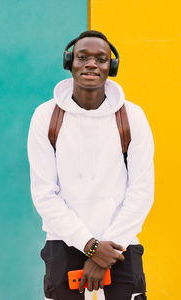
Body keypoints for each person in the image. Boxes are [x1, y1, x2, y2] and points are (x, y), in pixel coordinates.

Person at [27, 30, 154, 300]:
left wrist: (102, 254)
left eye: (101, 59)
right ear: (69, 63)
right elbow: (44, 194)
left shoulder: (133, 116)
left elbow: (142, 192)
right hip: (63, 242)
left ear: (112, 67)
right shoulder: (45, 116)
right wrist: (90, 246)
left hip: (120, 246)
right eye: (83, 57)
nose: (92, 64)